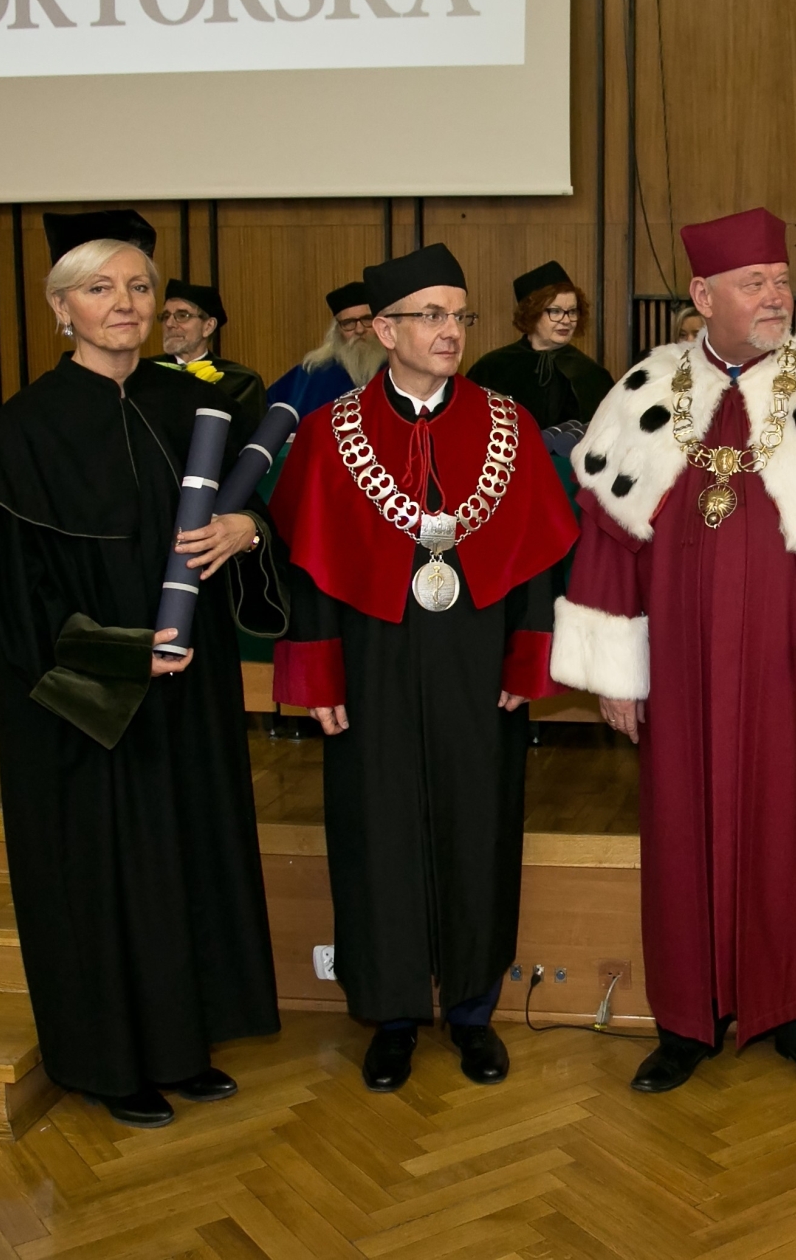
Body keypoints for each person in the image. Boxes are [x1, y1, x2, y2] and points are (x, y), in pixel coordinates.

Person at [550, 207, 796, 1096]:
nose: (775, 297)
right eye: (754, 284)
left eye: (781, 282)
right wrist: (614, 673)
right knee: (683, 839)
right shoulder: (644, 392)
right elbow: (608, 542)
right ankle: (687, 1022)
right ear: (703, 294)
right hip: (680, 679)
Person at [0, 209, 282, 1130]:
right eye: (101, 288)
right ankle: (106, 1060)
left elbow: (261, 520)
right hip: (84, 704)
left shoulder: (193, 409)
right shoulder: (19, 437)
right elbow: (14, 595)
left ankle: (186, 1042)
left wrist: (248, 530)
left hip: (190, 684)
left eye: (139, 287)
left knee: (187, 854)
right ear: (62, 308)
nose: (125, 303)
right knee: (102, 872)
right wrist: (117, 654)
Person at [269, 244, 578, 1093]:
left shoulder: (508, 426)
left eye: (458, 314)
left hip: (478, 659)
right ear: (384, 329)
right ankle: (393, 1014)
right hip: (371, 661)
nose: (450, 330)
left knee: (481, 823)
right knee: (376, 830)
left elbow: (538, 559)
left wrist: (528, 655)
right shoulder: (330, 433)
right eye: (431, 315)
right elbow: (309, 566)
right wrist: (318, 674)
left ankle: (473, 1011)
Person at [464, 260, 615, 429]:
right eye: (555, 311)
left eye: (572, 311)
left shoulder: (593, 375)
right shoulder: (490, 369)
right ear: (532, 314)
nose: (566, 320)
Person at [152, 279, 268, 430]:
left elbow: (247, 438)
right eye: (165, 316)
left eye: (182, 315)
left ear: (208, 326)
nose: (169, 324)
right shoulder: (144, 373)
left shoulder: (241, 381)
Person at [265, 282, 389, 421]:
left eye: (367, 319)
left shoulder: (398, 369)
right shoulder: (312, 374)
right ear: (337, 331)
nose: (359, 330)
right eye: (348, 323)